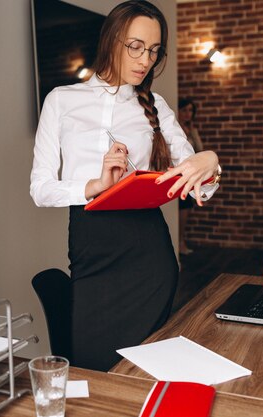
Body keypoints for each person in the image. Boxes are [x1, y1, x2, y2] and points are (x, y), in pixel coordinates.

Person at [30, 0, 221, 371]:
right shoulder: (61, 100)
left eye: (153, 50)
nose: (145, 59)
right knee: (93, 366)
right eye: (135, 46)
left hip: (149, 257)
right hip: (91, 250)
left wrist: (210, 162)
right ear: (112, 40)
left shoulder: (156, 105)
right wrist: (96, 185)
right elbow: (40, 188)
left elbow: (199, 187)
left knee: (143, 369)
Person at [177, 97, 204, 255]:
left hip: (190, 175)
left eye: (190, 111)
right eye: (185, 110)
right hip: (180, 174)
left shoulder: (190, 130)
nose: (188, 114)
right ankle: (179, 242)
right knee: (183, 209)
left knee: (186, 209)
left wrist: (193, 132)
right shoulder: (175, 129)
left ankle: (181, 241)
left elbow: (199, 150)